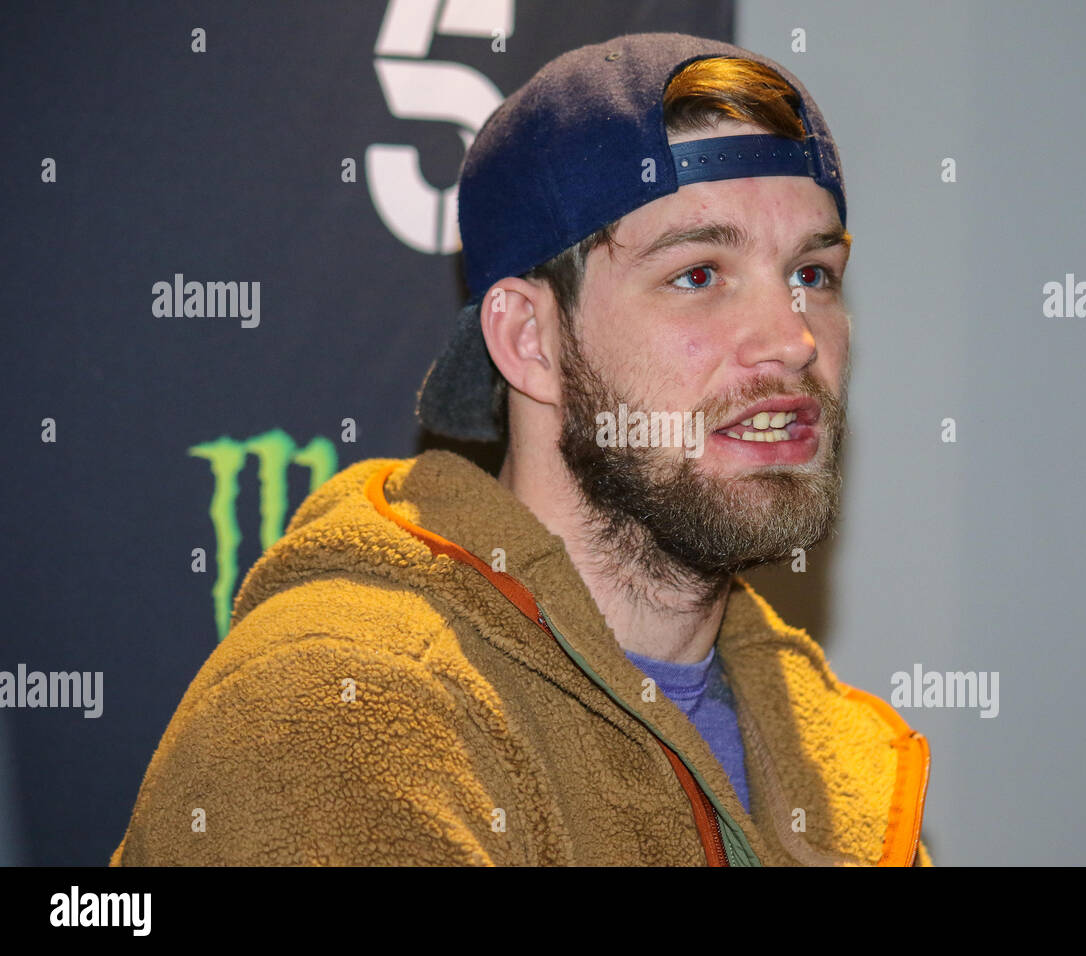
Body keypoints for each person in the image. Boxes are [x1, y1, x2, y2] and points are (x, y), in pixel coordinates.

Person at [111, 32, 933, 866]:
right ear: (528, 339)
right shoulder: (335, 710)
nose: (792, 340)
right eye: (698, 274)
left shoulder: (847, 764)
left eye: (813, 274)